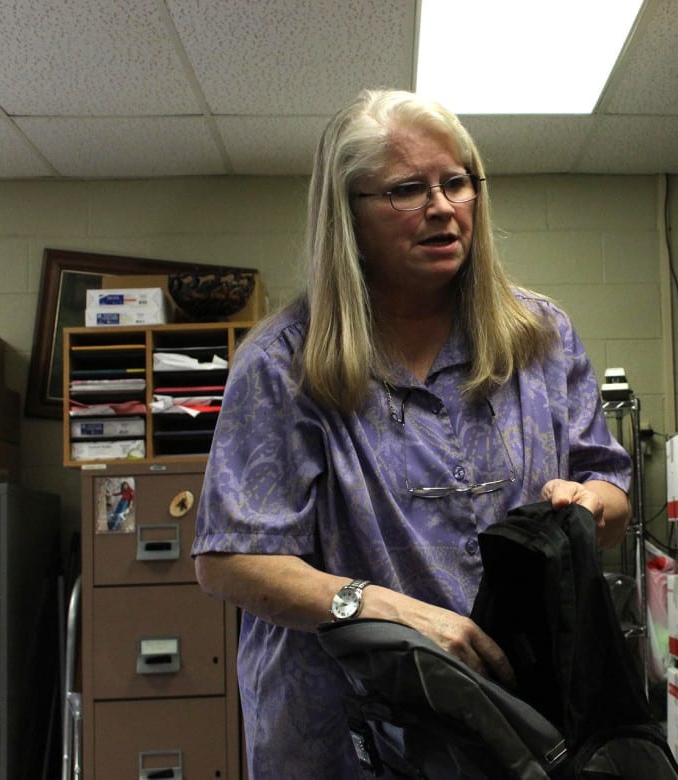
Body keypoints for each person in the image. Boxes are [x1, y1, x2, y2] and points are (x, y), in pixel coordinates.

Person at [191, 88, 633, 778]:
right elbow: (229, 559)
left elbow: (610, 488)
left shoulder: (540, 337)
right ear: (349, 215)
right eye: (406, 189)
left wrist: (588, 506)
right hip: (343, 734)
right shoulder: (285, 364)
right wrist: (383, 611)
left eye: (456, 182)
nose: (441, 207)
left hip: (516, 720)